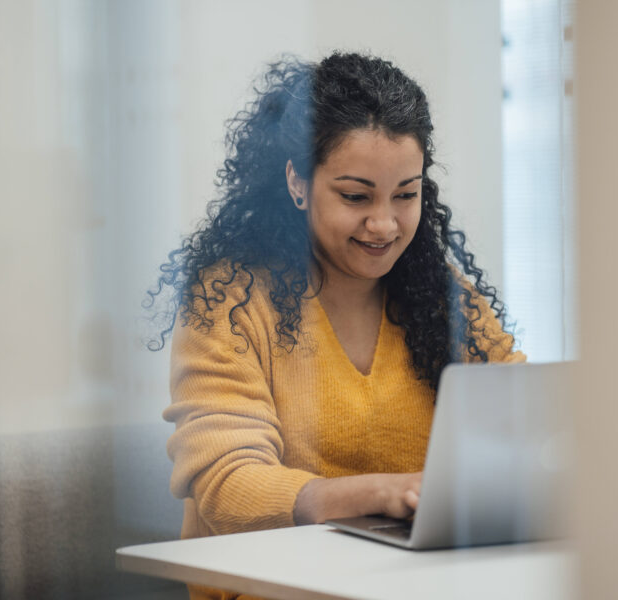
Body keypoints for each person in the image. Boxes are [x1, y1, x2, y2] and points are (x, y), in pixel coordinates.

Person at [146, 52, 524, 600]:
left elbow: (526, 428)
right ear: (298, 183)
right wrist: (381, 494)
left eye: (406, 194)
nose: (384, 224)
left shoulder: (444, 298)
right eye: (355, 196)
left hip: (415, 585)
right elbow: (229, 488)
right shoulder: (231, 300)